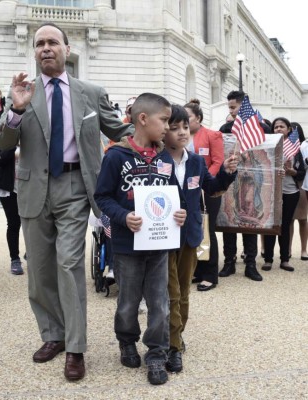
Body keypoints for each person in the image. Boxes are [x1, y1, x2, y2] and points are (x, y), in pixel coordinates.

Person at [0, 22, 134, 381]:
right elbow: (2, 145)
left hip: (75, 185)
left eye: (52, 42)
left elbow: (119, 130)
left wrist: (157, 136)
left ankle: (75, 347)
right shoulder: (23, 93)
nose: (45, 48)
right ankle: (52, 335)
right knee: (39, 271)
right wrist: (16, 111)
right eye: (39, 43)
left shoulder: (90, 92)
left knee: (69, 264)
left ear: (67, 49)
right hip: (33, 189)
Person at [94, 93, 187, 385]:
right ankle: (126, 340)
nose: (168, 127)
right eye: (164, 120)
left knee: (159, 302)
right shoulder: (115, 156)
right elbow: (102, 197)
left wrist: (179, 213)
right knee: (128, 300)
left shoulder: (164, 158)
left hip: (159, 245)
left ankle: (156, 354)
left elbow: (174, 196)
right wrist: (123, 217)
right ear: (143, 119)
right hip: (127, 245)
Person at [164, 104, 237, 373]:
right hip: (162, 236)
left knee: (183, 291)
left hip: (190, 234)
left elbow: (212, 187)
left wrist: (227, 173)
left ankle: (177, 335)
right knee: (170, 291)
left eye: (185, 126)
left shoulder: (195, 161)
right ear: (163, 131)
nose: (182, 132)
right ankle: (172, 346)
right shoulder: (155, 160)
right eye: (174, 128)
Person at [218, 91, 270, 280]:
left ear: (243, 106)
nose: (231, 111)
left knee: (249, 219)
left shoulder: (260, 127)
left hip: (251, 182)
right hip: (232, 181)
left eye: (233, 107)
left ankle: (250, 264)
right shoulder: (225, 128)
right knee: (230, 219)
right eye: (229, 107)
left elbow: (269, 153)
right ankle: (229, 262)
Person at [184, 99, 228, 289]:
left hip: (208, 189)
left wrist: (203, 179)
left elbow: (218, 161)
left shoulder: (212, 135)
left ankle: (210, 273)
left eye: (189, 118)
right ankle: (198, 270)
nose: (185, 122)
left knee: (207, 229)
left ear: (198, 118)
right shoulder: (180, 137)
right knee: (193, 228)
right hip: (187, 190)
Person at [262, 117, 305, 272]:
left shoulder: (295, 148)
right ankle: (268, 259)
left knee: (285, 225)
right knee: (270, 224)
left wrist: (291, 171)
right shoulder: (269, 146)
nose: (278, 129)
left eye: (282, 127)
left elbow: (301, 172)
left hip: (290, 192)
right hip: (271, 192)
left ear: (288, 129)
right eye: (276, 127)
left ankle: (285, 260)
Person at [0, 147, 24, 275]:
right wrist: (12, 149)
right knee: (13, 223)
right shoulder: (6, 139)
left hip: (30, 186)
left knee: (34, 222)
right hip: (8, 187)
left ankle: (33, 253)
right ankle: (15, 259)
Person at [289, 122, 308, 260]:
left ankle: (303, 250)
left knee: (303, 219)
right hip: (290, 185)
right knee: (289, 219)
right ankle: (288, 249)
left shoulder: (304, 145)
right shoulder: (286, 147)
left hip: (302, 184)